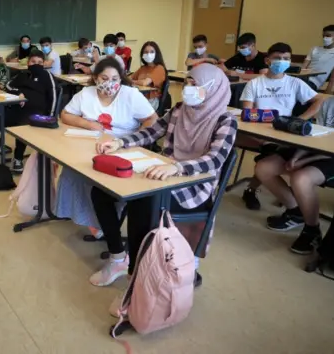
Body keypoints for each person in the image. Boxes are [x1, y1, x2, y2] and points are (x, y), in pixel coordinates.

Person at [92, 64, 237, 312]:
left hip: (193, 184)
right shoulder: (180, 110)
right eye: (188, 82)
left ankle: (134, 281)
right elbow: (151, 133)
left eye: (195, 84)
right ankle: (118, 257)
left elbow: (215, 160)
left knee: (142, 203)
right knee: (102, 191)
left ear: (213, 90)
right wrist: (120, 142)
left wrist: (178, 168)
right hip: (163, 171)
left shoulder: (225, 120)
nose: (188, 89)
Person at [55, 58, 157, 236]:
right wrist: (89, 124)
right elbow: (65, 115)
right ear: (95, 78)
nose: (109, 83)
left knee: (100, 179)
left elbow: (152, 119)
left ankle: (103, 222)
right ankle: (88, 218)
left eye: (115, 79)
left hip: (123, 146)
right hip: (92, 143)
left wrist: (134, 139)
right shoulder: (86, 94)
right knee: (73, 169)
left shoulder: (130, 95)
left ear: (121, 79)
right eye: (104, 78)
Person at [255, 94, 334, 254]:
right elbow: (318, 135)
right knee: (264, 167)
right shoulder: (332, 102)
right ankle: (296, 212)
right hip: (316, 150)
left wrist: (302, 161)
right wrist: (297, 156)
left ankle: (312, 230)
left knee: (301, 179)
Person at [239, 42, 323, 210]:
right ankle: (285, 197)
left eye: (286, 59)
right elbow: (247, 112)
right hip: (259, 131)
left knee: (275, 154)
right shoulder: (255, 83)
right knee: (274, 152)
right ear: (268, 60)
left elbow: (318, 100)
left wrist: (300, 119)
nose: (282, 61)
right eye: (277, 58)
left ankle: (255, 189)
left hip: (285, 131)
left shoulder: (294, 83)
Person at [303, 25, 334, 92]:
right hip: (301, 79)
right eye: (323, 36)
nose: (324, 38)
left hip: (313, 83)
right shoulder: (314, 48)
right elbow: (303, 67)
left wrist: (328, 91)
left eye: (328, 36)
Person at [129, 41, 167, 110]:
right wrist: (131, 80)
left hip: (151, 100)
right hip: (140, 97)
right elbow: (128, 78)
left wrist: (132, 81)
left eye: (152, 52)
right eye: (146, 52)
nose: (148, 54)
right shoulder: (142, 68)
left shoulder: (159, 68)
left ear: (156, 54)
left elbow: (145, 83)